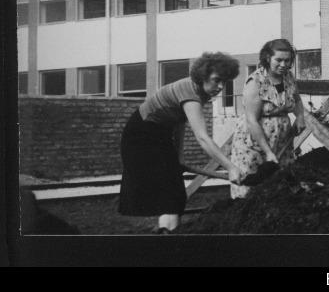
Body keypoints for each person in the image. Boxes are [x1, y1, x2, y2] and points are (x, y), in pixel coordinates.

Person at [119, 51, 245, 233]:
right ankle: (167, 234)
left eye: (224, 82)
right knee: (168, 194)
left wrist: (178, 158)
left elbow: (178, 123)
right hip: (141, 138)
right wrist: (231, 167)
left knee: (175, 193)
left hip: (158, 135)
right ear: (203, 76)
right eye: (216, 79)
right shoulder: (190, 92)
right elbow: (202, 137)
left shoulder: (196, 91)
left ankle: (169, 232)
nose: (220, 86)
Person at [230, 38, 307, 199]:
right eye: (278, 60)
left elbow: (297, 100)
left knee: (282, 183)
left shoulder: (288, 77)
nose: (283, 64)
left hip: (281, 141)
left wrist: (300, 116)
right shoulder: (256, 82)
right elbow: (252, 120)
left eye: (287, 60)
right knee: (250, 186)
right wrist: (267, 151)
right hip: (254, 143)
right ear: (267, 58)